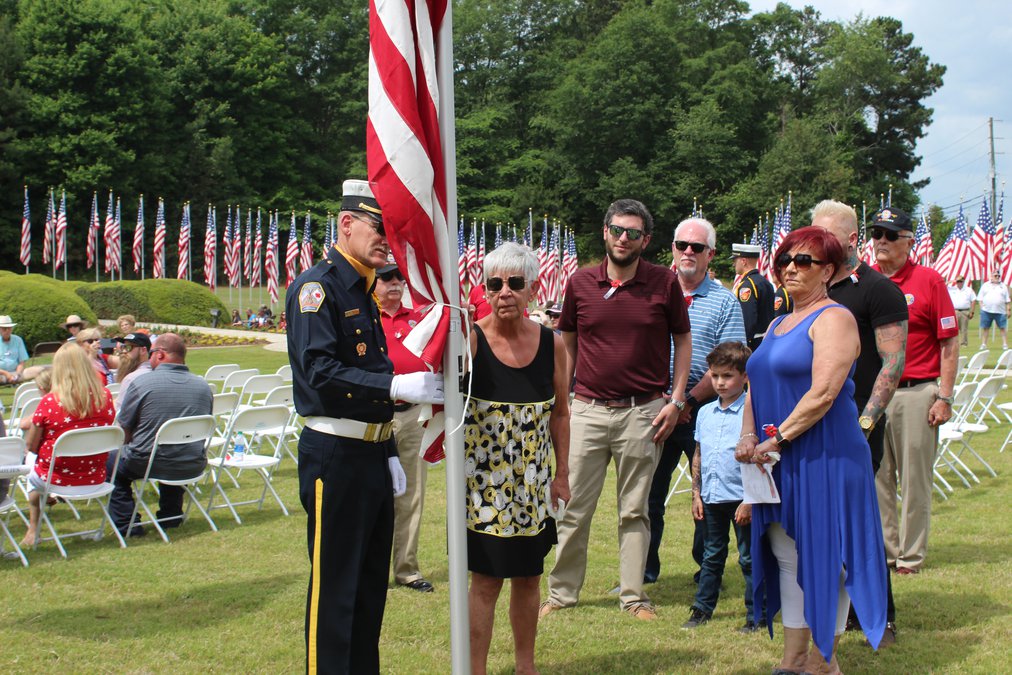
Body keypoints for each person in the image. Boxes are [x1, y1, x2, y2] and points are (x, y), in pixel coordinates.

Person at [285, 179, 444, 674]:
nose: (387, 241)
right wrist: (396, 386)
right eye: (379, 227)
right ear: (347, 223)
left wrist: (389, 451)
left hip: (374, 450)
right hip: (335, 453)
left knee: (371, 586)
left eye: (392, 232)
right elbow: (319, 370)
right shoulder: (318, 288)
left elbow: (368, 371)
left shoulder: (365, 289)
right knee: (336, 588)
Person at [736, 226, 888, 672]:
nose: (790, 268)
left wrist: (777, 438)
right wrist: (748, 435)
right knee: (788, 555)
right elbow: (754, 386)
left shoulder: (835, 318)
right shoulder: (777, 322)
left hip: (826, 454)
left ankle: (823, 662)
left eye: (803, 261)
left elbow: (823, 394)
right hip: (779, 455)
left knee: (825, 557)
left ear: (828, 271)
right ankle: (793, 658)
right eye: (784, 260)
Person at [541, 198, 691, 622]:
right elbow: (567, 342)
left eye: (634, 233)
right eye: (618, 230)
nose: (624, 238)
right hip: (587, 410)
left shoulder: (664, 283)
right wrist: (565, 398)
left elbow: (682, 339)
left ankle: (633, 597)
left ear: (646, 239)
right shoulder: (579, 283)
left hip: (643, 413)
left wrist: (676, 399)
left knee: (635, 510)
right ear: (605, 232)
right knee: (572, 507)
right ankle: (561, 594)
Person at [465, 242, 570, 675]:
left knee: (529, 578)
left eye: (514, 283)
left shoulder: (552, 344)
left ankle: (526, 667)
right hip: (483, 488)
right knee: (486, 580)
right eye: (495, 283)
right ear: (485, 290)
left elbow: (560, 413)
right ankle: (475, 670)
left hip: (532, 485)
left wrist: (562, 474)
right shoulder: (470, 341)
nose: (504, 291)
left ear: (533, 289)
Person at [817, 199, 908, 646]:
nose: (818, 243)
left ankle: (880, 615)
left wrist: (866, 422)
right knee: (820, 522)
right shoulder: (810, 287)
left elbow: (892, 363)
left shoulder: (877, 290)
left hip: (856, 428)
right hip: (811, 424)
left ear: (852, 239)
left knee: (859, 523)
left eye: (828, 235)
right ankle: (832, 611)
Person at [646, 217, 745, 585]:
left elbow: (728, 362)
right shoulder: (653, 294)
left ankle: (707, 570)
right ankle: (643, 569)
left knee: (710, 495)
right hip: (655, 408)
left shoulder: (725, 302)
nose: (688, 251)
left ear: (710, 254)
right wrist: (664, 400)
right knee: (647, 495)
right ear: (672, 249)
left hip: (704, 410)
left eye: (697, 247)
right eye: (682, 245)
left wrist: (684, 402)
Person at [870, 207, 958, 575]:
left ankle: (910, 555)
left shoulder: (929, 281)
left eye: (890, 235)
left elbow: (948, 342)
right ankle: (887, 552)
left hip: (916, 391)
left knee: (914, 479)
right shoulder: (865, 280)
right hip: (874, 395)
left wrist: (944, 397)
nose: (881, 241)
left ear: (908, 241)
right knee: (877, 476)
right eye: (877, 234)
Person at [683, 341, 759, 632]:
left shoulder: (752, 410)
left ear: (745, 377)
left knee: (749, 558)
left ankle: (756, 614)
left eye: (727, 376)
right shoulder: (705, 413)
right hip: (712, 497)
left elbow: (760, 461)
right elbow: (699, 454)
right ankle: (702, 609)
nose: (720, 382)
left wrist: (750, 500)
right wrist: (696, 494)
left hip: (742, 498)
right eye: (714, 376)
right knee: (711, 555)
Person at [106, 333, 213, 536]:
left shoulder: (142, 384)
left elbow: (124, 430)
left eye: (152, 353)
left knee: (109, 461)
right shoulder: (203, 387)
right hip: (191, 460)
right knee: (173, 450)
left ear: (160, 354)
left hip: (148, 461)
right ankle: (170, 517)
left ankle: (127, 525)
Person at [375, 258, 434, 593]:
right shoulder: (366, 318)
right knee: (374, 493)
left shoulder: (418, 319)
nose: (395, 283)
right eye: (387, 278)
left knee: (411, 493)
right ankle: (372, 569)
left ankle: (407, 569)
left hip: (412, 415)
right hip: (376, 413)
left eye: (398, 277)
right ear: (374, 284)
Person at [21, 344, 116, 546]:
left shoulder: (49, 401)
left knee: (30, 462)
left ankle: (33, 528)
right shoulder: (105, 397)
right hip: (96, 476)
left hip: (56, 479)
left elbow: (32, 446)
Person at [731, 244, 775, 351]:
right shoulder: (764, 282)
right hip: (766, 340)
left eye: (735, 260)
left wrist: (742, 345)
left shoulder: (747, 285)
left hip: (752, 344)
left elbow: (748, 319)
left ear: (743, 261)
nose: (733, 264)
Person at [114, 333, 153, 410]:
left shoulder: (131, 379)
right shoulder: (156, 372)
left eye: (128, 347)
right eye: (123, 347)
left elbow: (119, 412)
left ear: (143, 350)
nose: (124, 351)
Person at [976, 269, 1010, 349]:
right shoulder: (985, 285)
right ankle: (983, 344)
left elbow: (1007, 300)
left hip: (1000, 311)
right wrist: (982, 308)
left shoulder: (1003, 286)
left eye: (998, 276)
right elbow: (980, 298)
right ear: (991, 276)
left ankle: (1005, 344)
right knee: (986, 328)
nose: (997, 277)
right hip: (986, 311)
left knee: (1002, 328)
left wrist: (1008, 310)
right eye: (995, 276)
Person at [946, 276, 975, 347]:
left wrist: (972, 311)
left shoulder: (968, 290)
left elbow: (973, 300)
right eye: (958, 281)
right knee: (953, 329)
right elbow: (942, 287)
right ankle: (953, 343)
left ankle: (964, 343)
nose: (959, 283)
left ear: (963, 282)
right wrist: (949, 282)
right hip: (954, 311)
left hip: (964, 311)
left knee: (964, 329)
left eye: (961, 281)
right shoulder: (952, 289)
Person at [0, 315, 29, 384]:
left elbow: (22, 362)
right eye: (4, 328)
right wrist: (6, 374)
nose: (7, 331)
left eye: (9, 328)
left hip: (16, 372)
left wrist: (17, 374)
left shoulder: (18, 340)